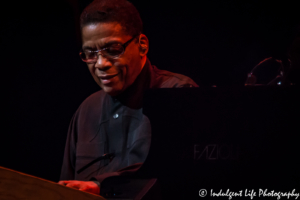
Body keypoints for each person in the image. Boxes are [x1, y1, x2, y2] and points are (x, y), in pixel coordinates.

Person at [58, 0, 198, 195]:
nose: (101, 64)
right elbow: (64, 190)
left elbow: (182, 180)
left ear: (142, 45)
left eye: (113, 50)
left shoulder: (179, 93)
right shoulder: (86, 110)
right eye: (90, 53)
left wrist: (103, 186)